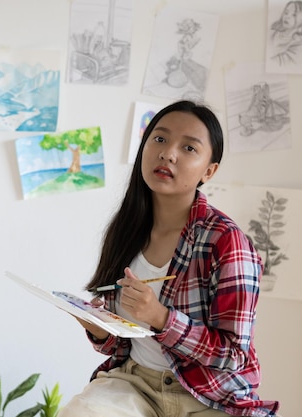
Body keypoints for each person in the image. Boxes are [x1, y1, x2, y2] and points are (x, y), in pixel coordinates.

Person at [59, 100, 280, 416]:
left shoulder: (225, 241)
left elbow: (234, 354)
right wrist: (98, 328)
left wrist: (162, 318)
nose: (168, 153)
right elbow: (123, 344)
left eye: (189, 148)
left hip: (210, 395)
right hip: (135, 385)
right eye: (159, 139)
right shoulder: (126, 229)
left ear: (209, 171)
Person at [268, 1, 302, 66]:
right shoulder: (273, 32)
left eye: (294, 15)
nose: (287, 17)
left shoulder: (299, 43)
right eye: (286, 13)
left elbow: (281, 64)